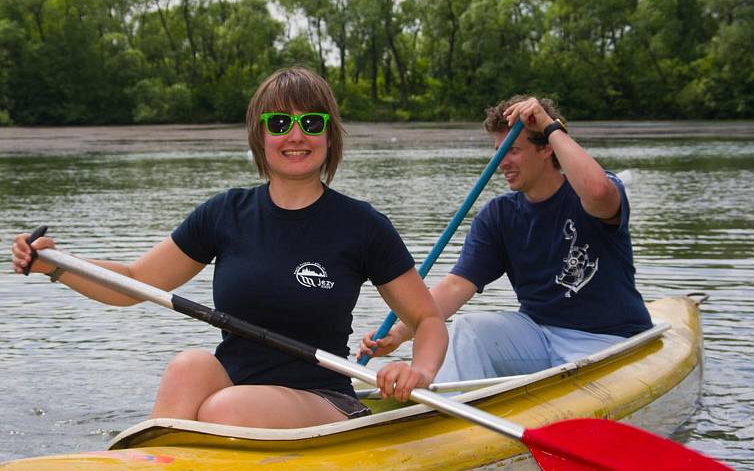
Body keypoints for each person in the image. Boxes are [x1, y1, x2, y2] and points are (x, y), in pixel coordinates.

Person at [12, 66, 447, 428]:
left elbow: (426, 318)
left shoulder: (363, 225)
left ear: (329, 135)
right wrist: (56, 264)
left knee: (225, 408)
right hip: (233, 384)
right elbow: (134, 282)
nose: (296, 136)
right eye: (279, 123)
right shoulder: (225, 213)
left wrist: (420, 372)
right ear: (260, 138)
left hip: (319, 396)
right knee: (189, 365)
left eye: (311, 123)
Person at [359, 95, 652, 382]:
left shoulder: (591, 194)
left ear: (547, 148)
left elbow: (599, 193)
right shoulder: (498, 215)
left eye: (512, 150)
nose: (502, 162)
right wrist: (400, 332)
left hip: (607, 337)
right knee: (468, 329)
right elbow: (455, 286)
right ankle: (443, 416)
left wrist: (549, 125)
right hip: (536, 333)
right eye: (498, 151)